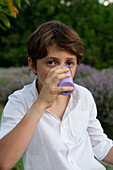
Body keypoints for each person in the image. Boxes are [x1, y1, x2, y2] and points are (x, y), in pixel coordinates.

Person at [0, 21, 113, 170]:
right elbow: (4, 162)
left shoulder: (83, 96)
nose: (61, 70)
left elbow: (99, 144)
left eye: (69, 63)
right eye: (51, 62)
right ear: (33, 65)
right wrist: (41, 103)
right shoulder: (20, 101)